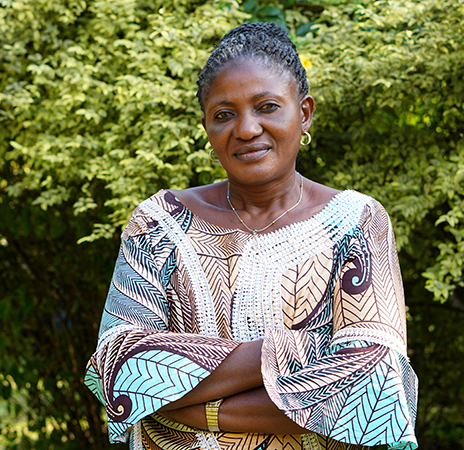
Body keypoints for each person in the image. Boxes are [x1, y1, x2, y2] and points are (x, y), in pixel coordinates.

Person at [84, 22, 418, 450]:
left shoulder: (356, 222)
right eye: (224, 115)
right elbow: (117, 366)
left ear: (304, 113)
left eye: (267, 106)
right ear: (207, 127)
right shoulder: (158, 224)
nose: (245, 129)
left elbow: (374, 386)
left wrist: (191, 404)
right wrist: (303, 351)